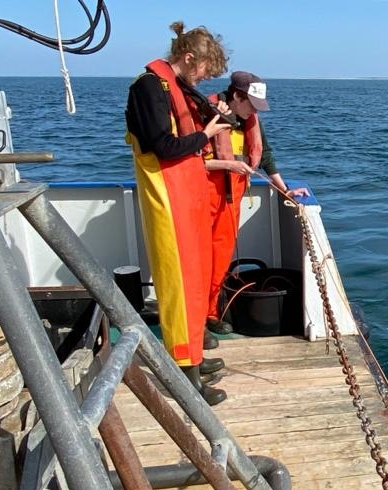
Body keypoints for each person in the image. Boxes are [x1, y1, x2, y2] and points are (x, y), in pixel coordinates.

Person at [125, 21, 232, 405]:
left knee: (196, 281)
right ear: (189, 58)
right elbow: (164, 145)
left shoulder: (177, 88)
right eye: (204, 70)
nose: (204, 79)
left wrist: (209, 118)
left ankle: (194, 359)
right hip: (168, 203)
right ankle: (185, 375)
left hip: (187, 200)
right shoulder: (148, 88)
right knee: (178, 287)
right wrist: (207, 134)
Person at [203, 71, 310, 335]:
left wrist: (285, 190)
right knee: (200, 260)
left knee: (220, 258)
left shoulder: (251, 119)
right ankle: (198, 319)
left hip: (232, 200)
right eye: (251, 105)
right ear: (237, 96)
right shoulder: (207, 112)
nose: (254, 112)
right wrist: (228, 164)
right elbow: (189, 158)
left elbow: (266, 157)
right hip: (204, 199)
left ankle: (212, 312)